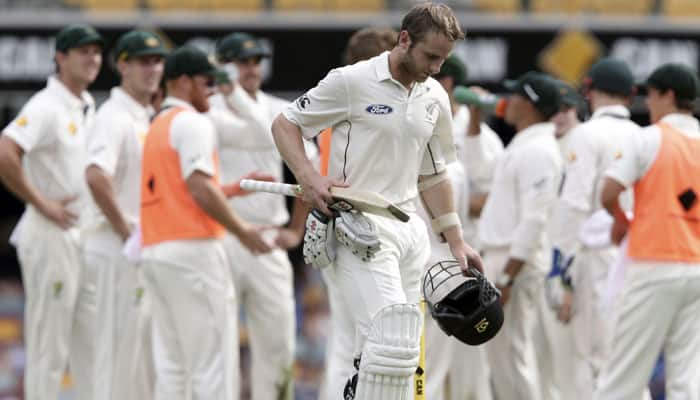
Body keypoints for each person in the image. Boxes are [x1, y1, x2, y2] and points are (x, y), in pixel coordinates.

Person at [271, 4, 482, 399]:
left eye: (444, 59)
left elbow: (433, 174)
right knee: (390, 342)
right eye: (431, 57)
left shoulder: (434, 95)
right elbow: (286, 124)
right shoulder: (351, 81)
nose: (437, 68)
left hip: (410, 232)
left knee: (395, 353)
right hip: (359, 227)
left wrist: (456, 241)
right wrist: (309, 177)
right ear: (405, 39)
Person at [139, 45, 272, 400]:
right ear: (183, 81)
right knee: (213, 363)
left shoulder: (156, 124)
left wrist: (228, 189)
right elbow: (198, 187)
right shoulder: (193, 122)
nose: (212, 89)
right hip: (194, 252)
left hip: (157, 251)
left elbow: (179, 190)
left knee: (173, 365)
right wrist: (242, 231)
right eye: (206, 81)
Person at [210, 31, 315, 400]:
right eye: (242, 62)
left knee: (278, 342)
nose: (252, 69)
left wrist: (296, 228)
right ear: (223, 66)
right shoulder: (207, 109)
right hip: (222, 234)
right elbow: (259, 131)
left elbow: (311, 167)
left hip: (269, 235)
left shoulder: (277, 109)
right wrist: (230, 94)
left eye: (256, 61)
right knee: (217, 343)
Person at [0, 24, 103, 400]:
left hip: (80, 236)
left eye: (96, 52)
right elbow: (5, 152)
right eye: (83, 52)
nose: (93, 59)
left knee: (89, 344)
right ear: (61, 57)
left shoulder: (86, 104)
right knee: (49, 346)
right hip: (49, 234)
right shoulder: (46, 106)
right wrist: (40, 202)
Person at [596, 63, 700, 400]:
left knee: (623, 375)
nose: (648, 104)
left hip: (654, 264)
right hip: (695, 269)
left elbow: (609, 191)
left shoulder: (650, 138)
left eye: (652, 95)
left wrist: (621, 221)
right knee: (685, 379)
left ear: (668, 95)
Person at [82, 30, 167, 400]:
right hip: (116, 247)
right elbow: (95, 173)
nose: (152, 69)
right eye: (143, 61)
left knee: (140, 356)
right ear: (123, 65)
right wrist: (124, 230)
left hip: (138, 247)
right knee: (117, 354)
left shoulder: (146, 117)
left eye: (157, 61)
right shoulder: (113, 116)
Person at [548, 58, 640, 400]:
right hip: (636, 256)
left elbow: (573, 208)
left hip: (594, 259)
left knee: (586, 359)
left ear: (588, 91)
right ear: (631, 95)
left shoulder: (586, 136)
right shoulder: (643, 136)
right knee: (627, 359)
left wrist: (563, 277)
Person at [316, 26, 399, 400]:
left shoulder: (339, 107)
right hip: (355, 231)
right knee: (359, 339)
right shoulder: (358, 109)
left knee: (348, 338)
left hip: (346, 231)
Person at [477, 71, 563, 400]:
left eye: (515, 96)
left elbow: (534, 218)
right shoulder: (526, 143)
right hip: (503, 257)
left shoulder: (539, 150)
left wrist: (509, 276)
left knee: (512, 356)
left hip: (514, 261)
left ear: (528, 104)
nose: (507, 102)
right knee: (503, 358)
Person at [422, 54, 493, 400]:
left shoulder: (481, 138)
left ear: (446, 84)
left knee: (462, 368)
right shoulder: (424, 124)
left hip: (463, 261)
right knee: (424, 363)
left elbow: (495, 202)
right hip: (430, 255)